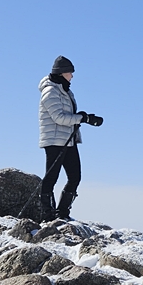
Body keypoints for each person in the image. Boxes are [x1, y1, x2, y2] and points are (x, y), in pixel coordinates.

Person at [39, 55, 103, 221]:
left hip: (68, 140)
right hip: (54, 141)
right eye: (70, 72)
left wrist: (84, 117)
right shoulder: (50, 91)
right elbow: (59, 118)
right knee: (51, 178)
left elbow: (68, 115)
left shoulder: (64, 90)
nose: (72, 76)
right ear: (62, 73)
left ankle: (62, 213)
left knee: (75, 177)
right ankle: (47, 215)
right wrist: (82, 118)